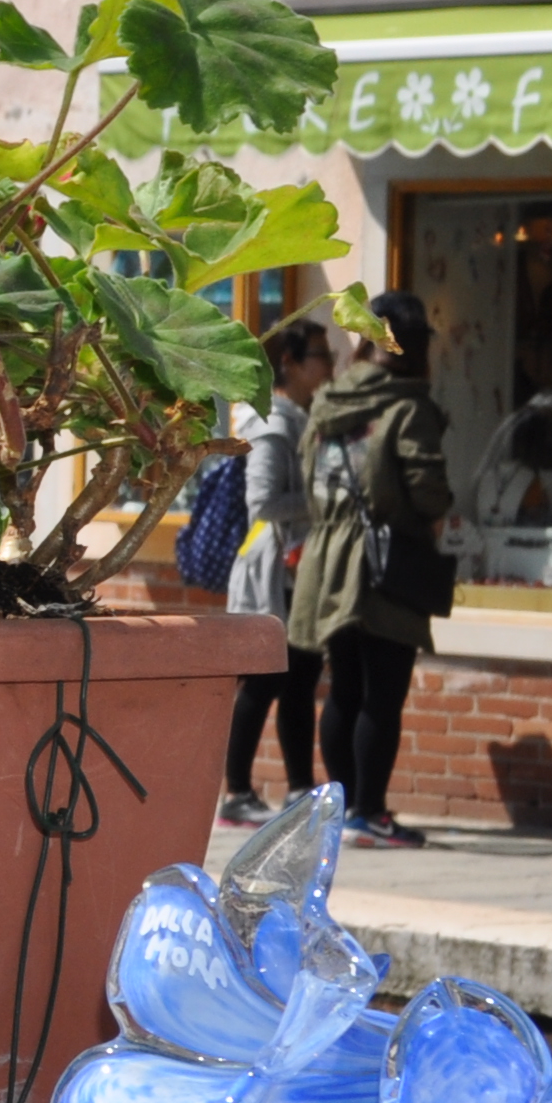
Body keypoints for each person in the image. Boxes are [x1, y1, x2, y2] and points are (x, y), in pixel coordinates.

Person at [286, 294, 454, 851]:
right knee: (383, 693)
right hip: (385, 561)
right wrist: (435, 512)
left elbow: (310, 473)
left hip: (327, 555)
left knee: (343, 689)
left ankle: (343, 810)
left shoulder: (328, 400)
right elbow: (427, 490)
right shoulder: (410, 407)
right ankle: (369, 811)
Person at [221, 319, 333, 822]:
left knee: (301, 679)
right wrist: (324, 499)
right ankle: (237, 792)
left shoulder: (298, 418)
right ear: (288, 363)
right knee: (266, 681)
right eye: (320, 355)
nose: (329, 365)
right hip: (272, 572)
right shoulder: (273, 423)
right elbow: (262, 501)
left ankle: (298, 789)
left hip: (295, 570)